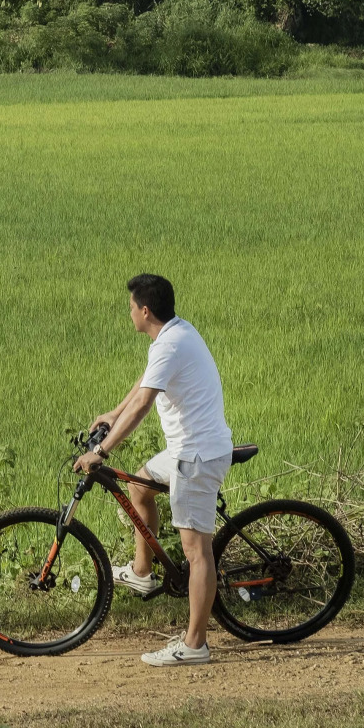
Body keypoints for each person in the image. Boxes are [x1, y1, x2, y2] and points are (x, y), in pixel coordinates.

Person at [73, 273, 232, 666]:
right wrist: (113, 411)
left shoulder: (171, 344)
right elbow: (147, 380)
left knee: (197, 552)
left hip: (196, 457)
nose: (128, 313)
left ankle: (195, 645)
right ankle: (142, 571)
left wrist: (103, 452)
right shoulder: (175, 333)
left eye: (130, 308)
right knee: (140, 486)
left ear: (145, 311)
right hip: (184, 449)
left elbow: (144, 404)